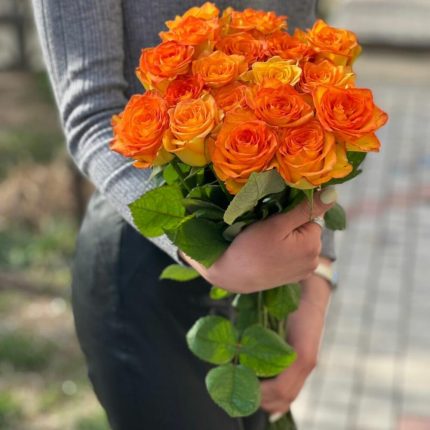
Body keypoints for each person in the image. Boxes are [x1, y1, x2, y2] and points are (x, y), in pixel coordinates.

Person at [31, 1, 337, 429]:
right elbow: (93, 114)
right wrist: (209, 252)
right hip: (145, 259)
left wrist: (317, 278)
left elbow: (310, 95)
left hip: (268, 273)